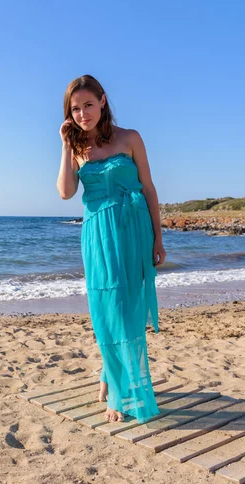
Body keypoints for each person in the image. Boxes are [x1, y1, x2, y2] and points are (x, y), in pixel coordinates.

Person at [56, 74, 167, 424]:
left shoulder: (130, 138)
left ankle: (116, 388)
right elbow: (64, 192)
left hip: (134, 232)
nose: (83, 114)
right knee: (106, 308)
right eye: (75, 109)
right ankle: (114, 380)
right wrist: (64, 146)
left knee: (129, 308)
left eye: (88, 104)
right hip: (98, 236)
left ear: (103, 101)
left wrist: (158, 237)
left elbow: (148, 188)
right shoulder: (76, 148)